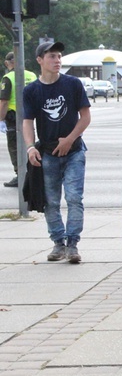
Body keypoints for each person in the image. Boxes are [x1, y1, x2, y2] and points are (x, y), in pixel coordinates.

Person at [23, 42, 90, 264]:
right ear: (40, 60)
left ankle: (72, 244)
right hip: (48, 153)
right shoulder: (32, 90)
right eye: (52, 56)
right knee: (50, 201)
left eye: (59, 56)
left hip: (74, 151)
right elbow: (27, 122)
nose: (57, 60)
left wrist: (69, 139)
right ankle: (58, 242)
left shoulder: (72, 84)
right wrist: (31, 147)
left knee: (73, 197)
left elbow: (85, 117)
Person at [0, 52, 37, 188]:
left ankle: (20, 175)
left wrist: (1, 119)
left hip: (13, 117)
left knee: (14, 148)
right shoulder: (31, 75)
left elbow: (4, 101)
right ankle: (30, 173)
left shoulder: (8, 77)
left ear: (7, 63)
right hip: (28, 115)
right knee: (28, 144)